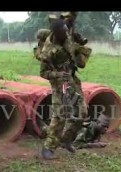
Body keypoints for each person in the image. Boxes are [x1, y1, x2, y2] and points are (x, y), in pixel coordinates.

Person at [39, 19, 89, 160]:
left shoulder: (67, 36)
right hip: (59, 84)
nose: (67, 33)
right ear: (56, 33)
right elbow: (43, 73)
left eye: (67, 30)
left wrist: (80, 45)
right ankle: (48, 148)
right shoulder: (47, 51)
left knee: (82, 112)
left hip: (72, 81)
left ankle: (67, 139)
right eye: (64, 32)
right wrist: (58, 74)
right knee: (60, 115)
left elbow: (78, 57)